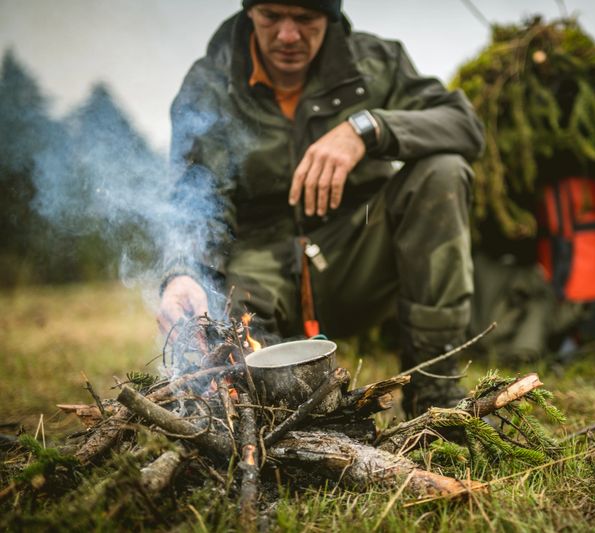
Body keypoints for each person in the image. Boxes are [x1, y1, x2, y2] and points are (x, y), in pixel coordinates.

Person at [156, 0, 485, 416]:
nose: (288, 35)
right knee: (240, 352)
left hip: (357, 255)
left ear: (329, 16)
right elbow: (195, 200)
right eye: (272, 16)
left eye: (306, 18)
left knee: (443, 171)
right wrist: (183, 271)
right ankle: (272, 416)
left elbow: (464, 125)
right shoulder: (210, 85)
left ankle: (436, 391)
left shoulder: (375, 64)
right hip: (259, 268)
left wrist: (368, 129)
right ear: (249, 12)